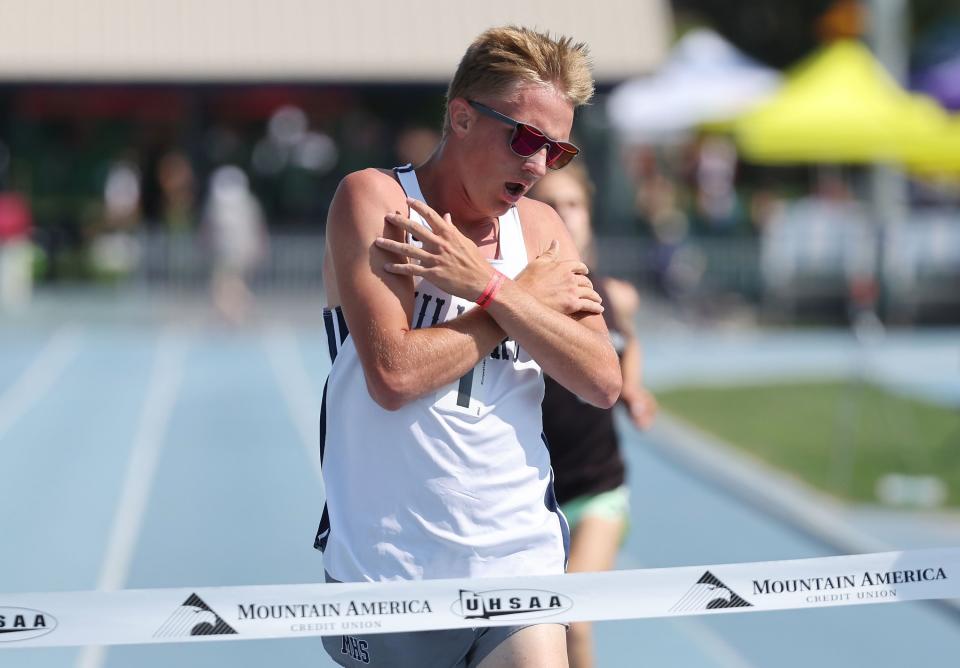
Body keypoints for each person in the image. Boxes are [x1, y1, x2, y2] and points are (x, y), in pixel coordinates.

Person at [316, 26, 621, 668]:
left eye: (556, 151)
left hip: (519, 563)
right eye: (526, 138)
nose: (537, 164)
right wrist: (515, 304)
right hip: (390, 574)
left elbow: (601, 380)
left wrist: (487, 287)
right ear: (460, 116)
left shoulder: (540, 229)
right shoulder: (379, 200)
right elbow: (393, 376)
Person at [529, 164, 657, 668]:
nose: (564, 216)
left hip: (598, 492)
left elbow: (626, 341)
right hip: (529, 502)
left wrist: (634, 389)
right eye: (551, 205)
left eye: (574, 205)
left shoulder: (609, 292)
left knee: (573, 620)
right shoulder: (519, 298)